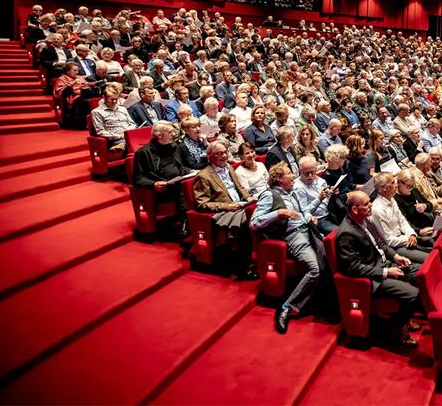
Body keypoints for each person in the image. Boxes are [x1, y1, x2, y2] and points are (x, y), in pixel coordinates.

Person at [334, 191, 422, 347]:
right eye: (367, 203)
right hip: (373, 277)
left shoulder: (365, 220)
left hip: (385, 264)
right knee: (414, 295)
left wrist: (396, 257)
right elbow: (352, 267)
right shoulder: (346, 233)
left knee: (420, 274)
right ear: (355, 209)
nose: (371, 205)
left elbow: (381, 244)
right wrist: (387, 272)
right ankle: (396, 327)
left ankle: (404, 317)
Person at [251, 163, 329, 334]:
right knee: (314, 269)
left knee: (328, 260)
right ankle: (286, 306)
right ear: (279, 179)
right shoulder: (269, 196)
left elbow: (303, 211)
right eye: (289, 174)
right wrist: (279, 213)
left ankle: (320, 304)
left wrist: (316, 204)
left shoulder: (292, 192)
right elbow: (254, 223)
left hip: (307, 228)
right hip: (293, 235)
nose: (293, 176)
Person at [194, 142, 257, 278]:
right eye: (219, 153)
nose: (223, 156)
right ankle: (243, 268)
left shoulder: (229, 167)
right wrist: (227, 207)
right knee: (249, 222)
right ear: (210, 157)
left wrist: (248, 197)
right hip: (223, 212)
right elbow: (202, 204)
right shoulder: (203, 176)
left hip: (240, 205)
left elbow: (239, 187)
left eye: (225, 152)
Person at [132, 120, 195, 238]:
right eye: (170, 132)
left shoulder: (173, 146)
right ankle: (187, 224)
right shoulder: (143, 153)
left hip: (178, 181)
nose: (174, 134)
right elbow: (137, 178)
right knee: (183, 190)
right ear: (159, 135)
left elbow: (180, 168)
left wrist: (190, 171)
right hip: (161, 189)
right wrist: (153, 184)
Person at [369, 172, 434, 263]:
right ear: (384, 188)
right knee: (429, 259)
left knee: (433, 245)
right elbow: (388, 240)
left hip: (405, 237)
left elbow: (402, 220)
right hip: (396, 247)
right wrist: (408, 238)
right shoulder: (377, 209)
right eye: (392, 182)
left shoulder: (391, 198)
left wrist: (411, 234)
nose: (396, 185)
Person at [91, 83, 135, 151]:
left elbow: (132, 123)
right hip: (114, 141)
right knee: (133, 144)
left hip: (130, 135)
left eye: (116, 99)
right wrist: (119, 136)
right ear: (104, 97)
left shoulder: (122, 108)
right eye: (111, 99)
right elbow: (101, 132)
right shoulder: (97, 112)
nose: (114, 101)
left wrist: (129, 131)